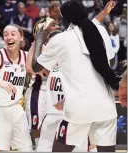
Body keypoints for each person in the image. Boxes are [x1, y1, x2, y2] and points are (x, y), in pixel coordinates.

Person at [32, 0, 118, 152]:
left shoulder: (61, 39)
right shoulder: (101, 31)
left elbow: (36, 67)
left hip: (79, 107)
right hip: (106, 105)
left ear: (66, 19)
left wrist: (38, 40)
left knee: (60, 150)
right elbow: (109, 61)